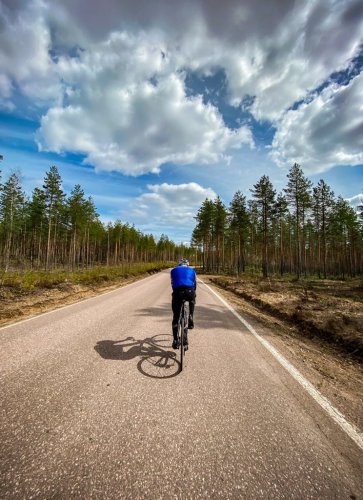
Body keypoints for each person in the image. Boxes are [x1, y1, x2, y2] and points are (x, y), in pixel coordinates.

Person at [170, 258, 197, 349]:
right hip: (190, 291)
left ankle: (175, 340)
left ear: (179, 265)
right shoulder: (192, 271)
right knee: (192, 299)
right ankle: (191, 316)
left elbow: (172, 284)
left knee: (176, 317)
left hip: (178, 293)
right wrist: (193, 293)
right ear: (187, 265)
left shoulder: (173, 270)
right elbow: (194, 285)